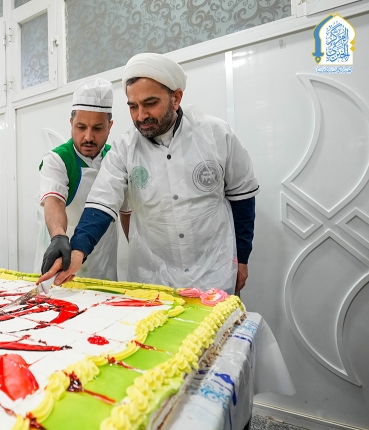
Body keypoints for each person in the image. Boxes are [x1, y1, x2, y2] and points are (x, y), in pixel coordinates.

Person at [40, 53, 258, 295]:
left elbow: (242, 197)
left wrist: (242, 258)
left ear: (176, 98)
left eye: (150, 103)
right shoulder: (124, 149)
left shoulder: (216, 135)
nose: (141, 116)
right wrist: (77, 250)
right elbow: (101, 203)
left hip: (214, 272)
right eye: (133, 107)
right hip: (153, 276)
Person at [35, 78, 131, 281]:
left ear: (110, 126)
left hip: (103, 262)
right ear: (71, 123)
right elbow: (54, 201)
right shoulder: (58, 159)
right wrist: (58, 235)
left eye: (97, 128)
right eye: (81, 127)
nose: (88, 137)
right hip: (61, 259)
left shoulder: (116, 159)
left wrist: (138, 252)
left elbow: (126, 213)